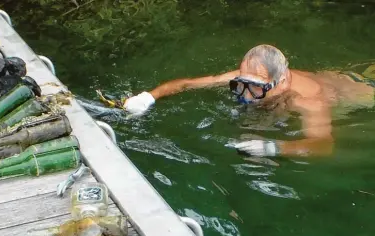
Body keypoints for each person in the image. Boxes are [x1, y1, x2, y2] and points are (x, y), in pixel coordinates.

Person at [123, 44, 375, 158]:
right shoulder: (248, 79)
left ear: (282, 81)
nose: (245, 96)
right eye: (240, 85)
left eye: (255, 88)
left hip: (356, 91)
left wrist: (275, 148)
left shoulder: (310, 100)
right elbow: (186, 84)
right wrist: (149, 97)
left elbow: (322, 144)